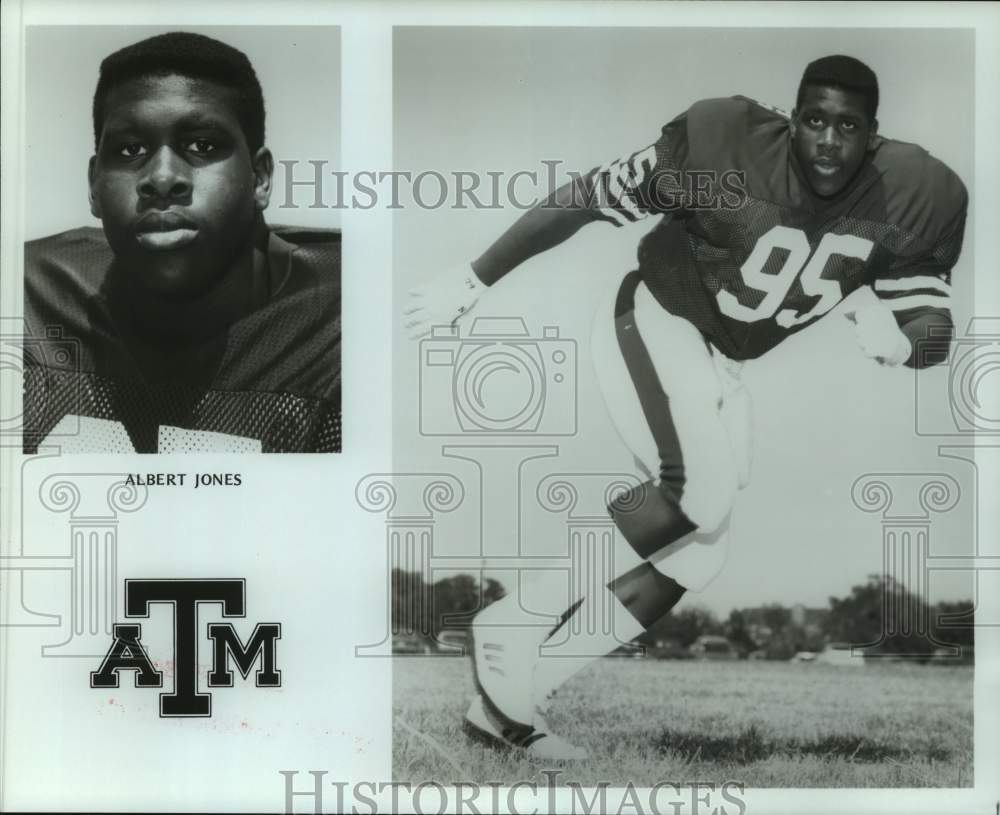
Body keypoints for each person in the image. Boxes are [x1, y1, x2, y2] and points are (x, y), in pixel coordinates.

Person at [404, 55, 967, 758]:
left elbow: (933, 329)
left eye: (847, 126)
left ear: (872, 133)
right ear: (793, 119)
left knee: (698, 559)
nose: (828, 140)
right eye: (815, 121)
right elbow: (586, 198)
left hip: (721, 359)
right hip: (656, 314)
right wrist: (474, 277)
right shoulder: (725, 151)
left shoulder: (911, 195)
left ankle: (509, 705)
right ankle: (515, 621)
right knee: (697, 489)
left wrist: (902, 344)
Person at [23, 31, 341, 454]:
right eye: (130, 149)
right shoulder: (25, 296)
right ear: (94, 186)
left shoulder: (347, 319)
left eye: (202, 145)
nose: (161, 177)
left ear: (260, 179)